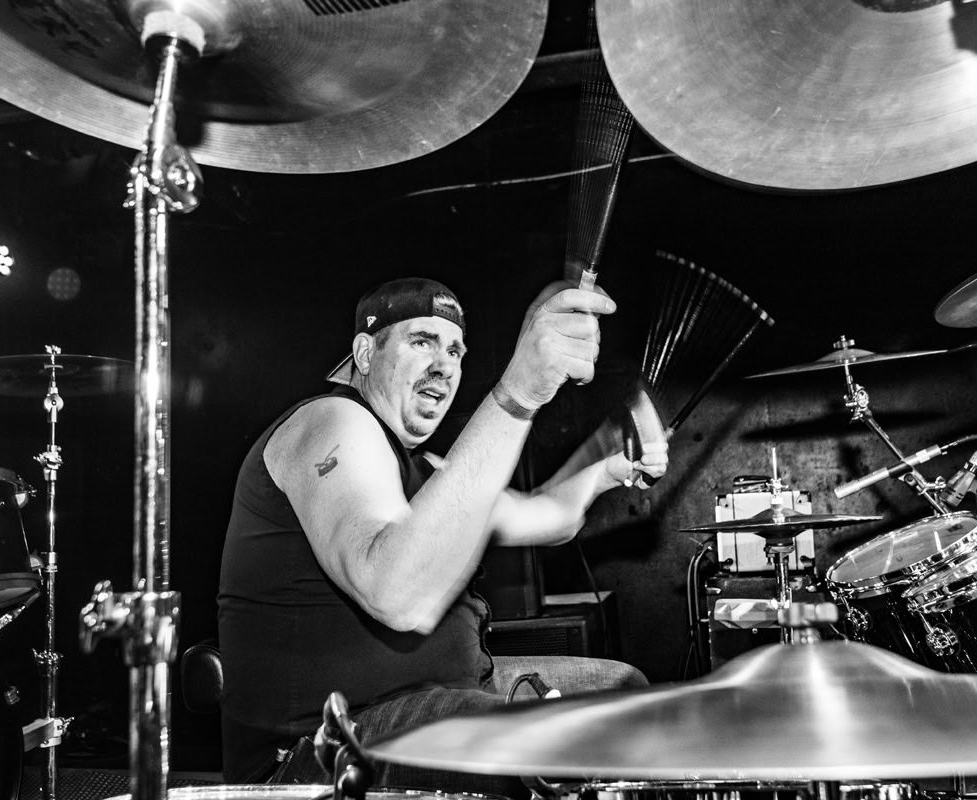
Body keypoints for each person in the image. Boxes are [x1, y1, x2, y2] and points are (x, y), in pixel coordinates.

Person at [217, 276, 668, 789]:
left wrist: (609, 467)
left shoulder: (431, 473)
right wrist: (518, 394)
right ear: (365, 354)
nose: (444, 365)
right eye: (422, 342)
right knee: (539, 739)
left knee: (623, 693)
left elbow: (551, 516)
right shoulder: (331, 421)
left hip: (444, 699)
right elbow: (395, 592)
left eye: (454, 350)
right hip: (320, 750)